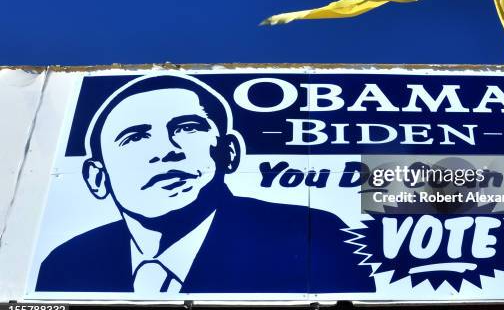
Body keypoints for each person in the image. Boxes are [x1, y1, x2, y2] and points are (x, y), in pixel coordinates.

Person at [36, 74, 374, 294]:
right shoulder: (65, 264)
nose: (166, 151)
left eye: (186, 128)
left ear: (229, 153)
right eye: (136, 137)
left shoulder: (315, 235)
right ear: (98, 177)